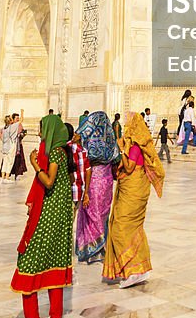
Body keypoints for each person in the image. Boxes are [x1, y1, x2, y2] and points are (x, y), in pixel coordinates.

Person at [9, 114, 73, 318]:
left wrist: (35, 164)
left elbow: (48, 182)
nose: (39, 132)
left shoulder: (55, 153)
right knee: (53, 267)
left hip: (47, 219)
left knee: (27, 263)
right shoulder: (63, 153)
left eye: (41, 128)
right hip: (56, 220)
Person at [104, 112, 164, 288]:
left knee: (120, 227)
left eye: (128, 123)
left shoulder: (136, 147)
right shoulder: (133, 145)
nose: (126, 126)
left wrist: (121, 150)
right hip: (130, 190)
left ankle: (133, 270)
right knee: (131, 227)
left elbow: (130, 168)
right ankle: (139, 268)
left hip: (134, 191)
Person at [76, 111, 118, 264]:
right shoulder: (110, 140)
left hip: (93, 181)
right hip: (106, 182)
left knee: (92, 213)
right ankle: (101, 247)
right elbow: (116, 159)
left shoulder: (89, 143)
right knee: (102, 214)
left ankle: (92, 249)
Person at [64, 122, 89, 212]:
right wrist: (86, 192)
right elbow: (87, 171)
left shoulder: (62, 148)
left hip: (63, 190)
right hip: (77, 190)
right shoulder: (81, 149)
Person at [0, 115, 19, 180]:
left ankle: (2, 177)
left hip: (4, 147)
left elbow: (1, 137)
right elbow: (20, 121)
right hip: (11, 146)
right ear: (11, 121)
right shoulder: (12, 127)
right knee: (10, 162)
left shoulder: (4, 128)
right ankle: (7, 177)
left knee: (5, 162)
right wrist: (22, 112)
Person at [11, 113, 28, 180]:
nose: (18, 119)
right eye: (16, 118)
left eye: (18, 118)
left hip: (19, 145)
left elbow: (23, 132)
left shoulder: (20, 125)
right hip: (12, 145)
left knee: (19, 160)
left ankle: (17, 174)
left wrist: (22, 134)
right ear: (13, 119)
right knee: (12, 160)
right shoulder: (11, 125)